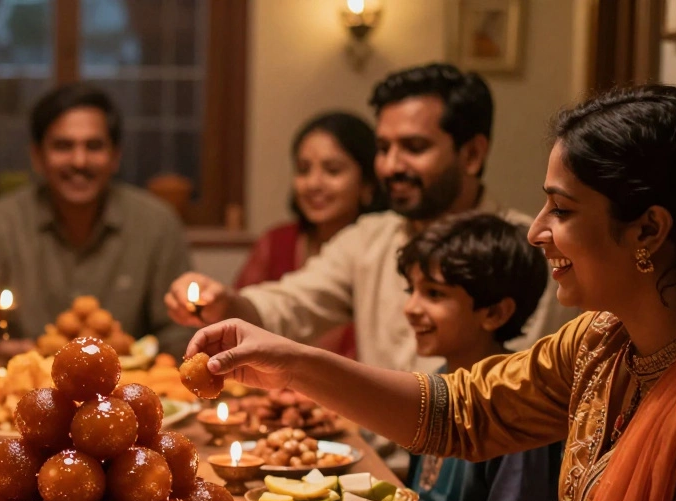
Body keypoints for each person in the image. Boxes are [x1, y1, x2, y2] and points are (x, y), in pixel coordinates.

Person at [187, 84, 676, 501]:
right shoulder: (600, 342)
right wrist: (290, 363)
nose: (538, 232)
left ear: (648, 228)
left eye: (561, 211)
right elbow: (460, 411)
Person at [167, 63, 578, 374]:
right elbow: (291, 305)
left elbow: (520, 390)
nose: (391, 166)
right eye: (383, 148)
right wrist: (225, 302)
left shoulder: (526, 250)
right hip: (372, 461)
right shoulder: (371, 237)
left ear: (471, 154)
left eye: (413, 147)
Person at [0, 82, 195, 360]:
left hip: (126, 393)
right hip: (28, 391)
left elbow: (179, 334)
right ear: (37, 156)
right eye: (63, 146)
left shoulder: (157, 224)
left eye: (94, 146)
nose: (79, 161)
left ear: (115, 156)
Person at [398, 212, 566, 501]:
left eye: (434, 294)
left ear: (495, 313)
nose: (410, 307)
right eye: (412, 289)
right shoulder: (440, 379)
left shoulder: (518, 401)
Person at [235, 111, 387, 357]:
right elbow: (243, 322)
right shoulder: (276, 243)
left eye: (333, 170)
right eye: (304, 170)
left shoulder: (380, 251)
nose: (314, 184)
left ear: (367, 183)